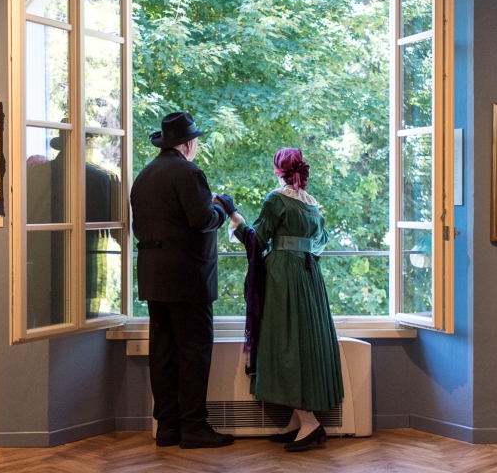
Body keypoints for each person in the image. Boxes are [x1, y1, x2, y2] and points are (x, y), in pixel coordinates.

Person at [226, 148, 344, 452]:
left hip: (284, 277)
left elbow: (258, 239)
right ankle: (297, 422)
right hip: (309, 276)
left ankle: (311, 424)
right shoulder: (312, 204)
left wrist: (234, 216)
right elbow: (321, 242)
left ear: (279, 170)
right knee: (301, 341)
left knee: (284, 342)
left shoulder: (276, 199)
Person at [129, 111, 233, 449]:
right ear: (188, 144)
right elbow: (202, 219)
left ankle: (168, 427)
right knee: (194, 352)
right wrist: (220, 207)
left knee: (163, 351)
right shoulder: (188, 172)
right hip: (188, 277)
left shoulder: (144, 175)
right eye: (196, 141)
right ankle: (194, 427)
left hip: (153, 276)